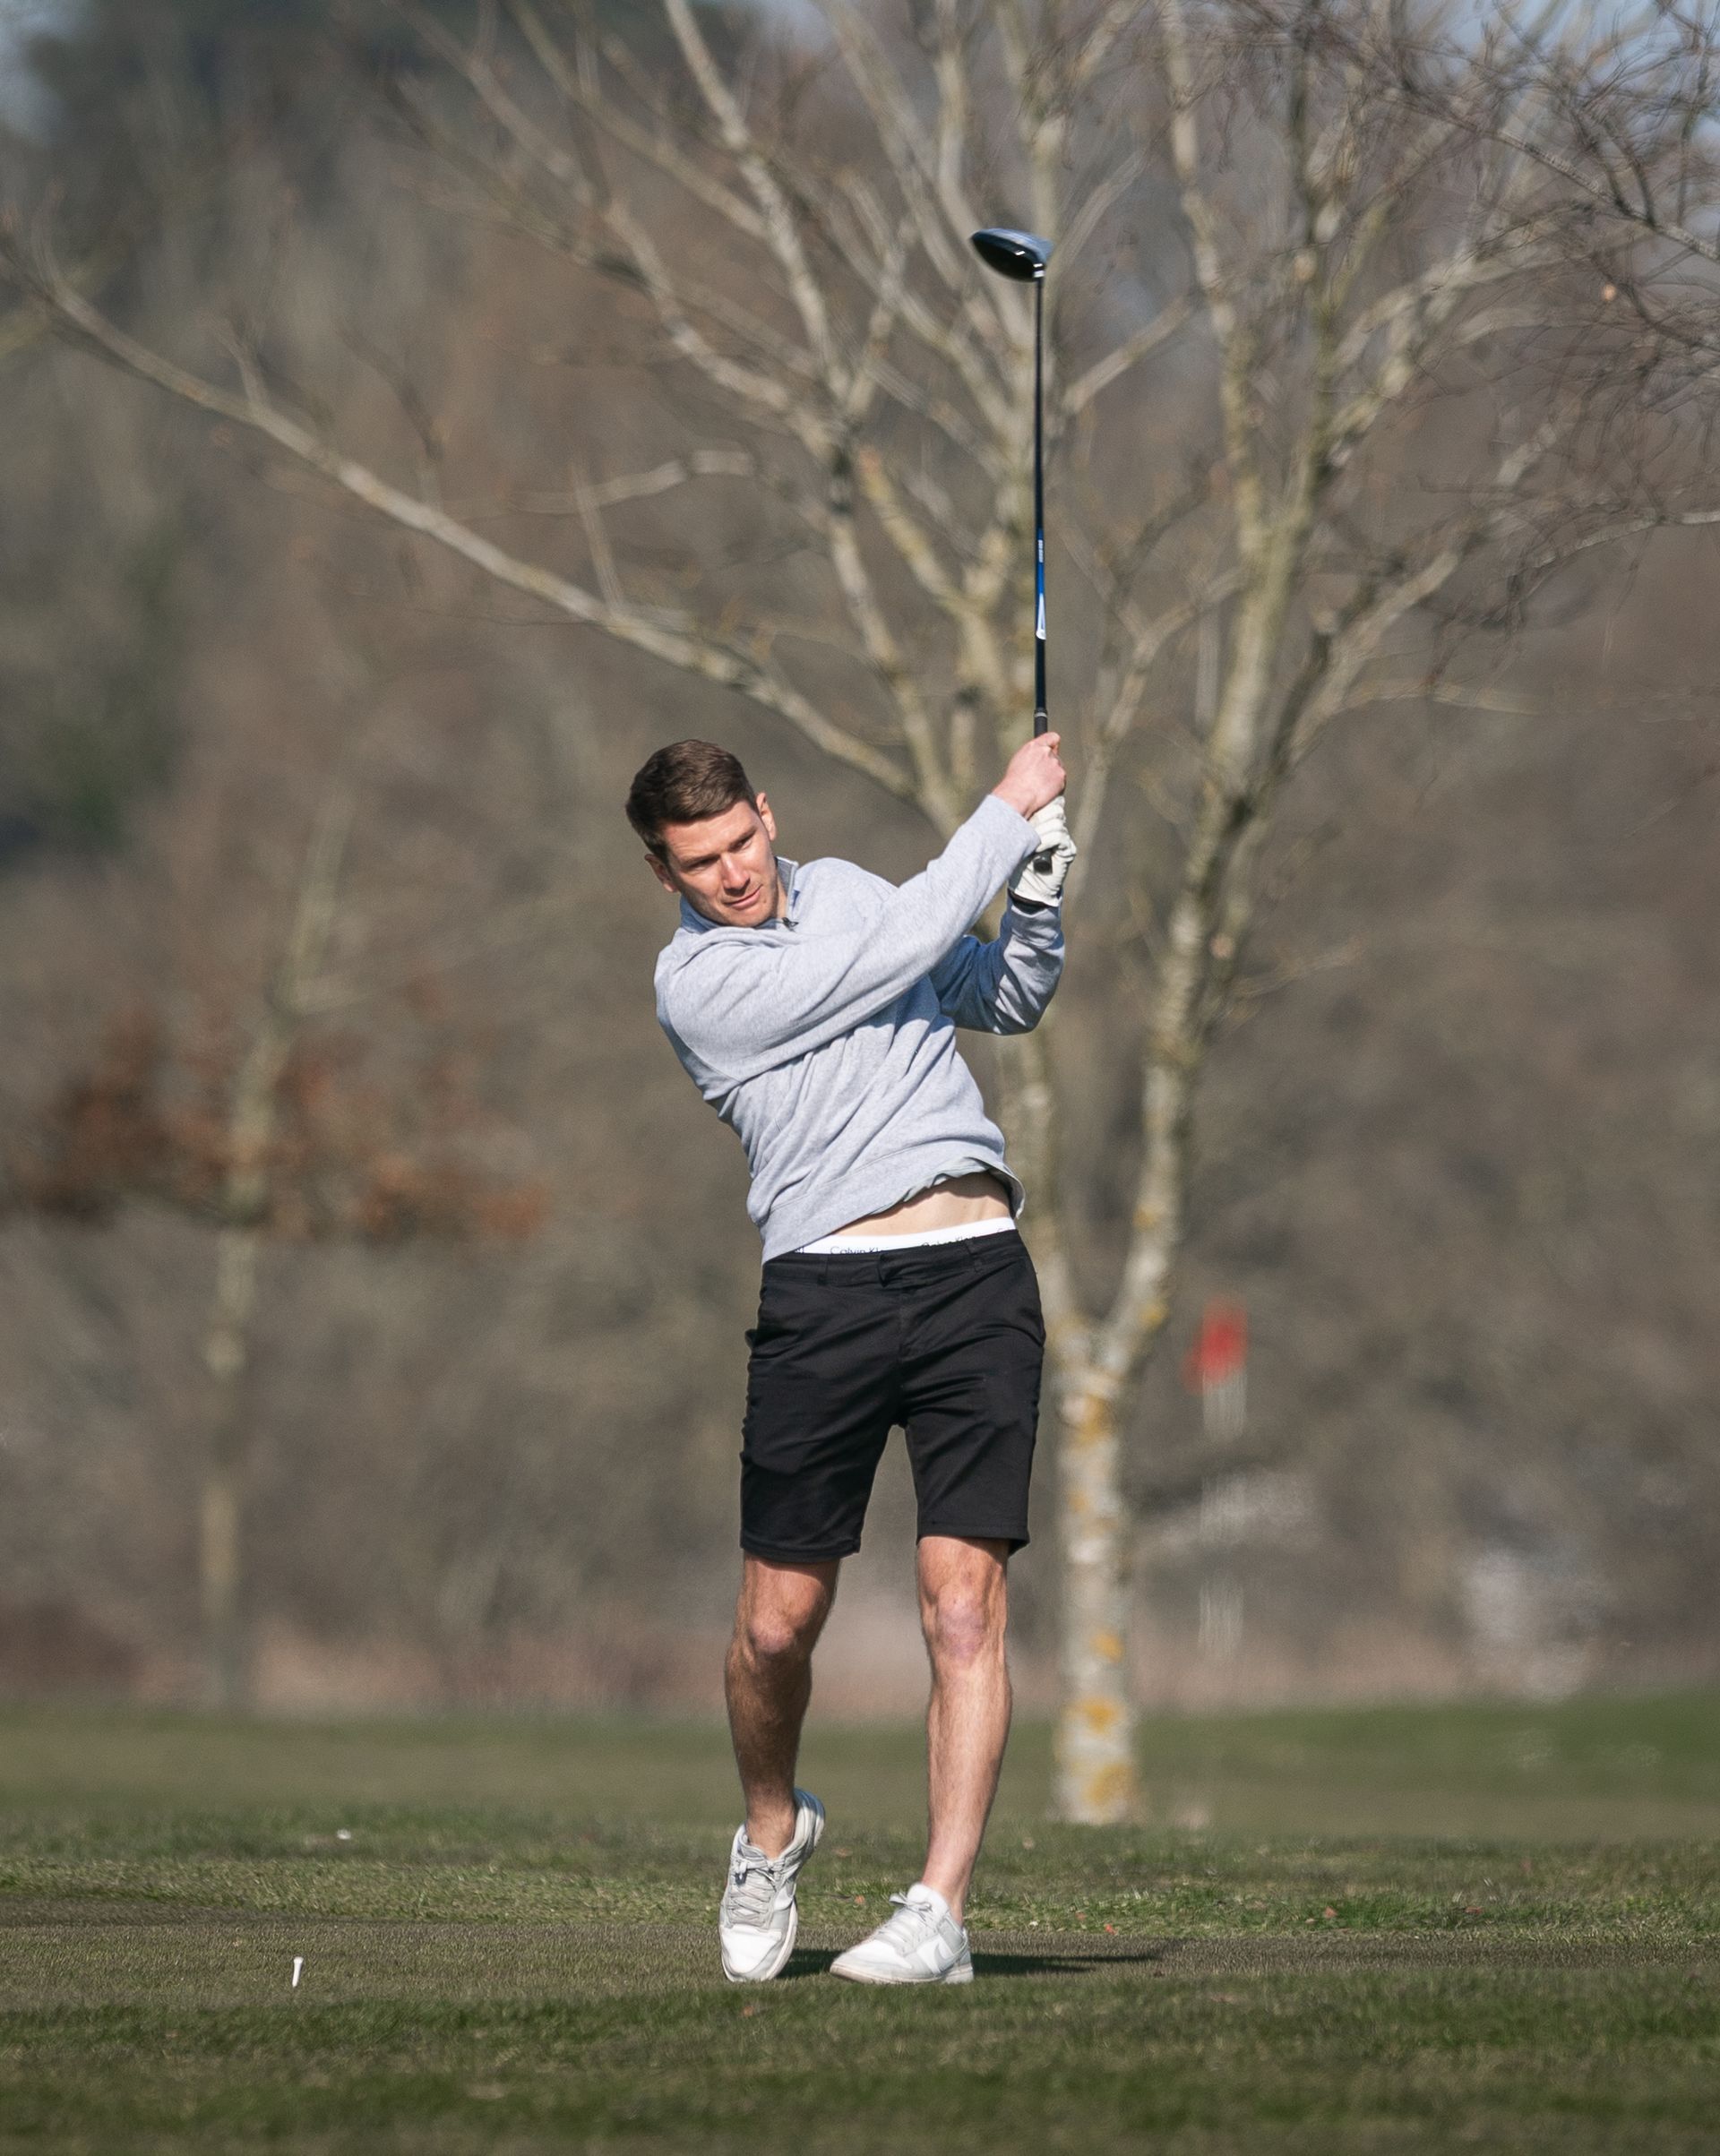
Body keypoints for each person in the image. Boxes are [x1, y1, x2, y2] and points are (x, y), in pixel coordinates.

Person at [625, 734, 1074, 1986]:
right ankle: (771, 1832)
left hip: (974, 1270)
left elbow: (1004, 994)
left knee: (964, 1606)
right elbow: (887, 956)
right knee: (777, 1628)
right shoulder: (697, 987)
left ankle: (940, 1911)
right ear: (664, 875)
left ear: (768, 814)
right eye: (699, 863)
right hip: (825, 1294)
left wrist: (1036, 893)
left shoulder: (861, 893)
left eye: (742, 841)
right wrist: (1004, 811)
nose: (733, 874)